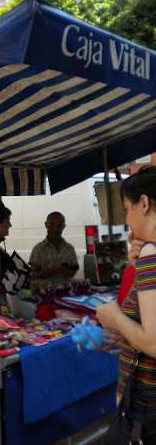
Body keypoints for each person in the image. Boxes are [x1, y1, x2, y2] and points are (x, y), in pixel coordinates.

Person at [96, 166, 156, 443]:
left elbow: (153, 342)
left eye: (127, 209)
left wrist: (115, 317)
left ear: (143, 203)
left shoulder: (151, 256)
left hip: (147, 406)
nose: (128, 220)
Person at [29, 211, 79, 287]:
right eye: (52, 225)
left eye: (59, 226)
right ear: (46, 225)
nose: (55, 229)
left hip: (65, 292)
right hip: (45, 294)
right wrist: (50, 271)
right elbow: (33, 275)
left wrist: (66, 272)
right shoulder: (38, 249)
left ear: (63, 227)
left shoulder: (69, 248)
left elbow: (74, 271)